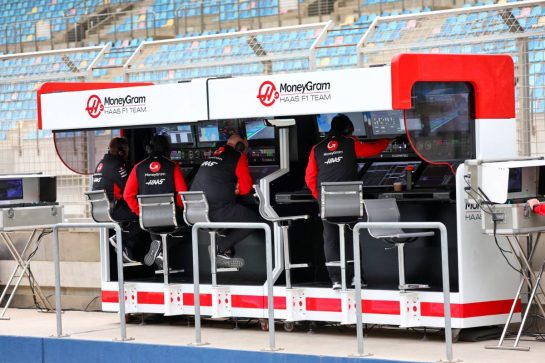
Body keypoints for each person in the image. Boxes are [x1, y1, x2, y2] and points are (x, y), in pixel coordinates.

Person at [305, 114, 391, 289]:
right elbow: (372, 149)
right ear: (348, 129)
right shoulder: (351, 143)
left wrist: (320, 197)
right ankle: (356, 278)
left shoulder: (316, 148)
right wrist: (387, 140)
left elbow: (309, 177)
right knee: (352, 236)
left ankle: (336, 279)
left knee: (330, 239)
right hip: (350, 201)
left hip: (326, 202)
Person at [190, 133, 262, 269]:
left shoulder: (211, 157)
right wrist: (237, 190)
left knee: (232, 214)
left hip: (196, 213)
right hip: (217, 211)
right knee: (253, 220)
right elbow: (246, 188)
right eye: (246, 147)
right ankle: (219, 249)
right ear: (240, 146)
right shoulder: (238, 157)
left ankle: (224, 253)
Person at [123, 135, 188, 269]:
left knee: (155, 225)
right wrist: (180, 209)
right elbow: (182, 194)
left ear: (149, 149)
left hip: (149, 220)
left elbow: (127, 195)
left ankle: (160, 252)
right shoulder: (173, 166)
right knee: (189, 225)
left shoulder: (138, 167)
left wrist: (141, 213)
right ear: (167, 149)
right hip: (171, 218)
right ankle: (162, 250)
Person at [92, 137, 150, 263]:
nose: (127, 154)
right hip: (114, 209)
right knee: (145, 215)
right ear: (120, 152)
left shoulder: (101, 164)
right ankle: (121, 238)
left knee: (135, 215)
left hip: (100, 210)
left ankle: (126, 248)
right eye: (127, 151)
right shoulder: (116, 167)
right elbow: (129, 190)